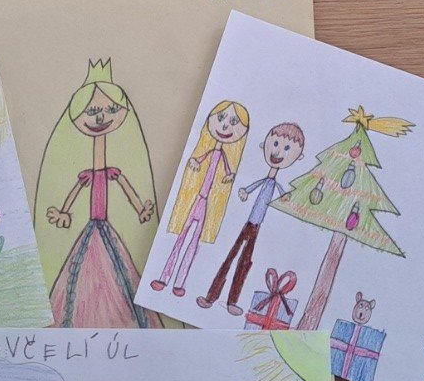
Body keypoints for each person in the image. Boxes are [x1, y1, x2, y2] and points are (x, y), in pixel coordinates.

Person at [36, 61, 160, 328]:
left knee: (115, 273)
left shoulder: (112, 173)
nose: (101, 118)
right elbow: (76, 191)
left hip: (104, 229)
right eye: (92, 111)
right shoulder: (88, 175)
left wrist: (140, 209)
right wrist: (64, 212)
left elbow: (126, 188)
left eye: (111, 110)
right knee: (84, 274)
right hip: (93, 228)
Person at [197, 122, 304, 315]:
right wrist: (245, 192)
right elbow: (253, 187)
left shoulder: (275, 185)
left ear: (298, 157)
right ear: (265, 144)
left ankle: (232, 301)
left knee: (245, 262)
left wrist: (286, 198)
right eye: (275, 143)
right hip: (248, 225)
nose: (278, 151)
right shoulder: (265, 181)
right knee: (231, 257)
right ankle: (211, 296)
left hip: (257, 228)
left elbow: (282, 195)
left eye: (287, 148)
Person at [151, 100, 249, 298]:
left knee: (194, 243)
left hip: (206, 205)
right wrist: (195, 163)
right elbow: (197, 160)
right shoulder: (209, 151)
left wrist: (229, 176)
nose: (224, 126)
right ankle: (164, 277)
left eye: (233, 122)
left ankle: (180, 283)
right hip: (196, 199)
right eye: (221, 118)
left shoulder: (224, 156)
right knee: (181, 238)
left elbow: (228, 171)